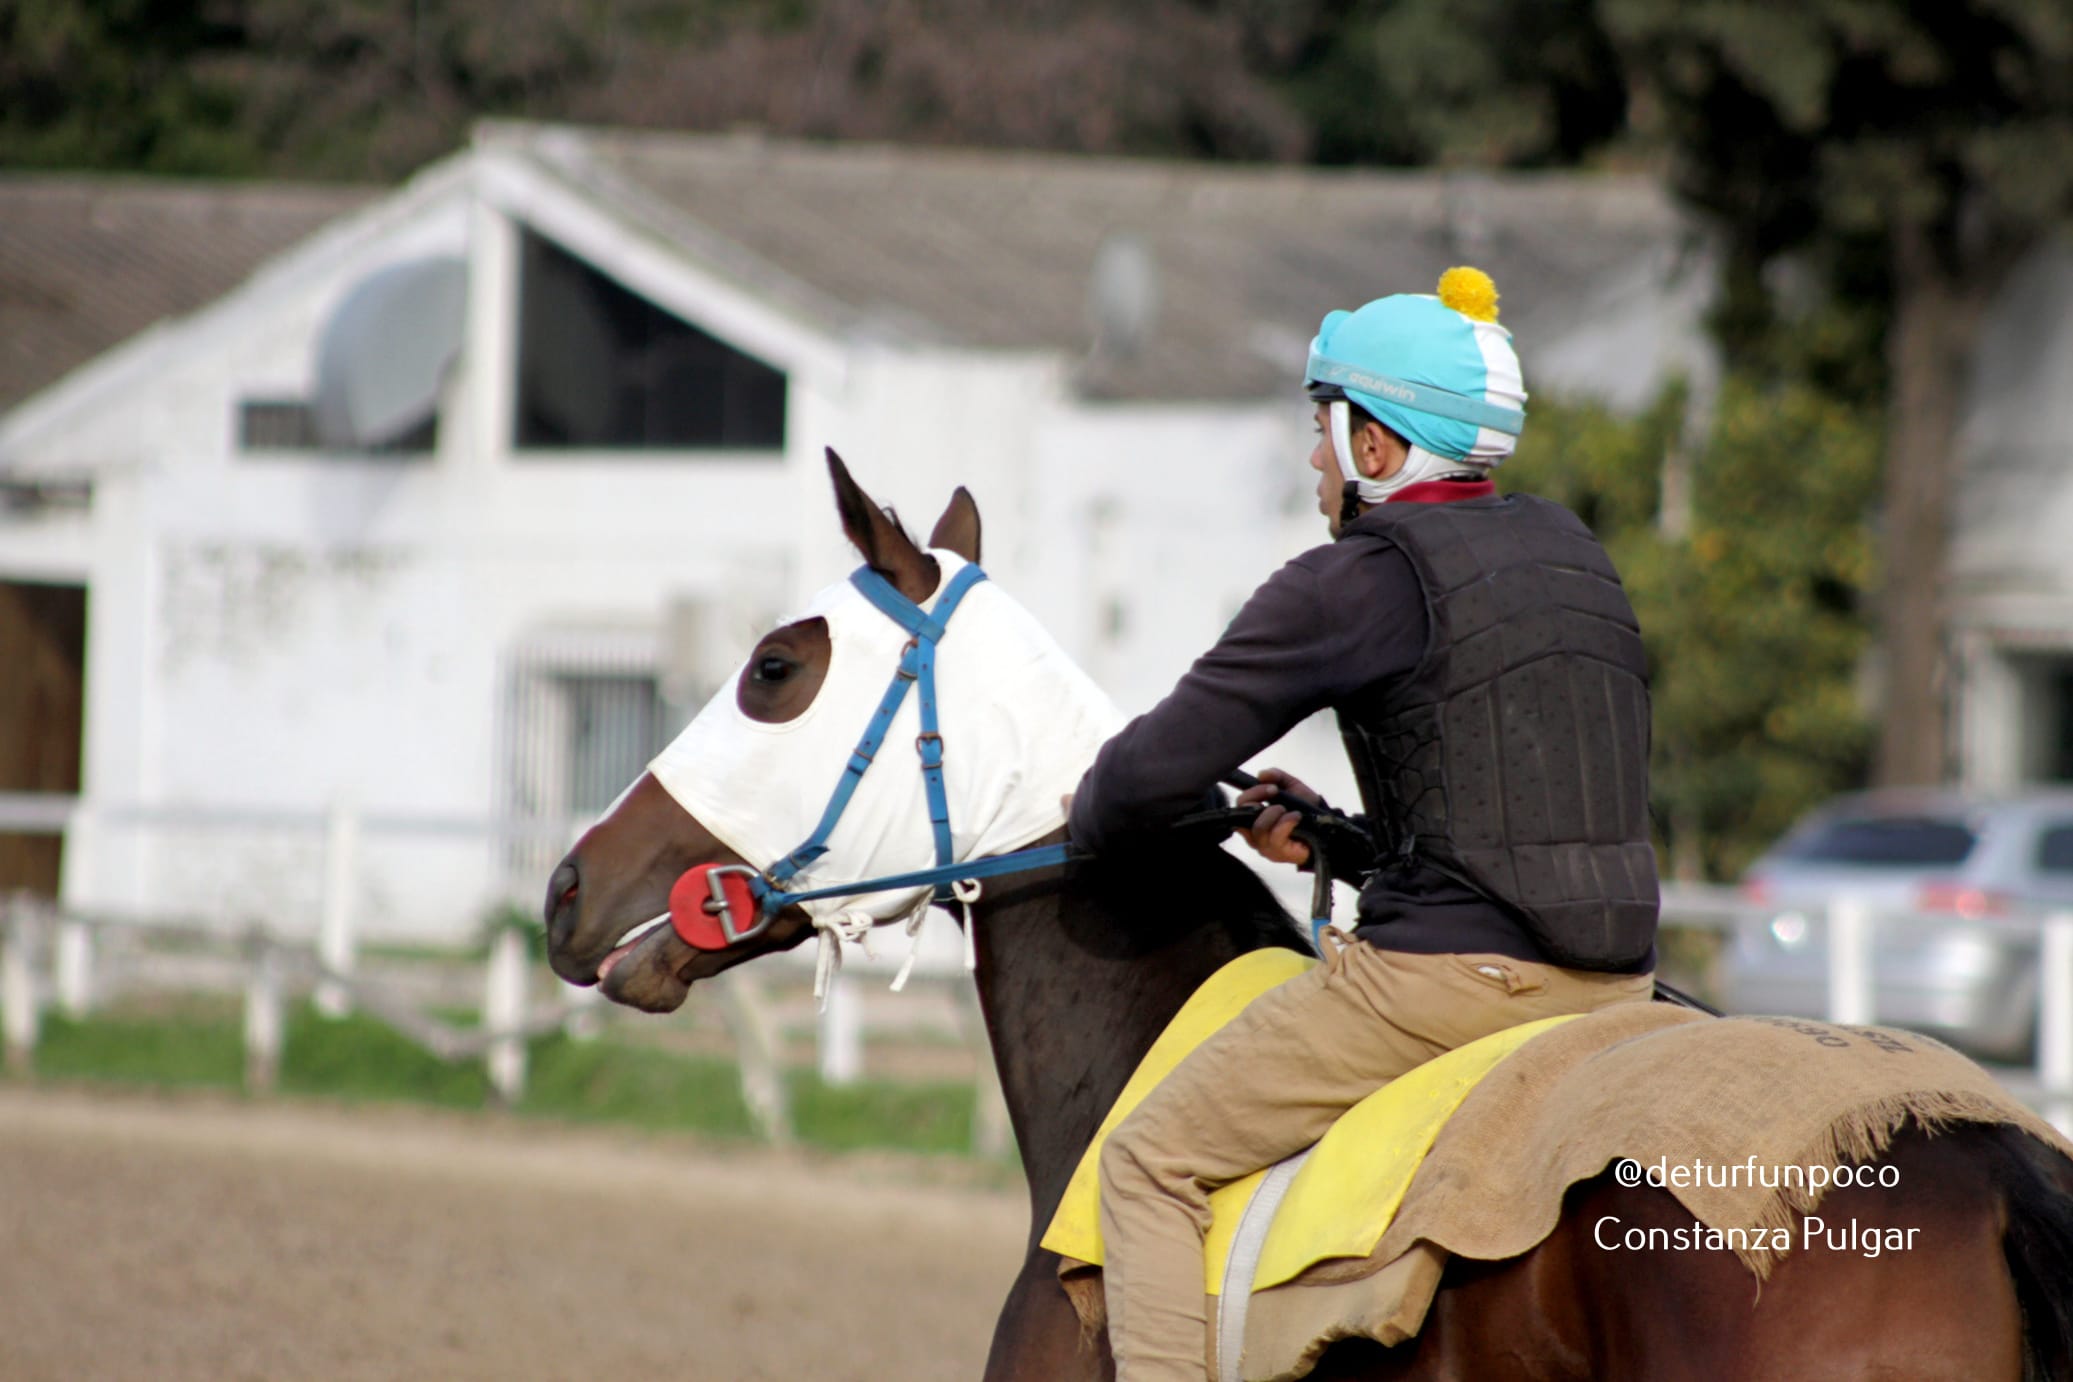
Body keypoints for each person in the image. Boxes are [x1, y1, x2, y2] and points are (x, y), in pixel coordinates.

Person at [1064, 268, 1661, 1381]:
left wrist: (1095, 812)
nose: (1315, 461)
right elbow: (1515, 811)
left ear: (1377, 448)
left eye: (1324, 432)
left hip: (1440, 991)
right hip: (1622, 986)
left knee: (1145, 1162)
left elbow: (1140, 782)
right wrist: (1338, 838)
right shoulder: (1578, 552)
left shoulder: (1350, 581)